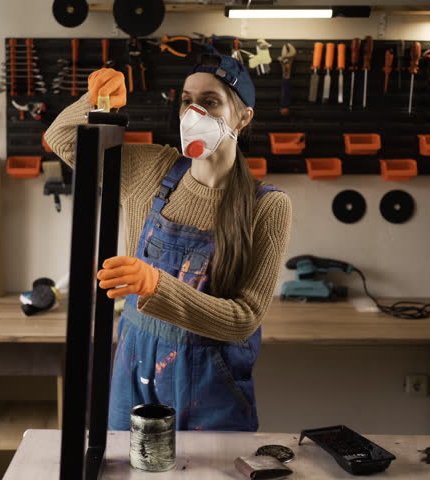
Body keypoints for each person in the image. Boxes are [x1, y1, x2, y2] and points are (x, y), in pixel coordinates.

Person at [45, 53, 292, 431]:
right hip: (134, 368)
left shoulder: (268, 206)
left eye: (210, 102)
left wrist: (157, 287)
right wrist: (97, 101)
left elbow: (244, 319)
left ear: (243, 117)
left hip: (210, 384)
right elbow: (60, 139)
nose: (193, 112)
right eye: (186, 101)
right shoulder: (149, 170)